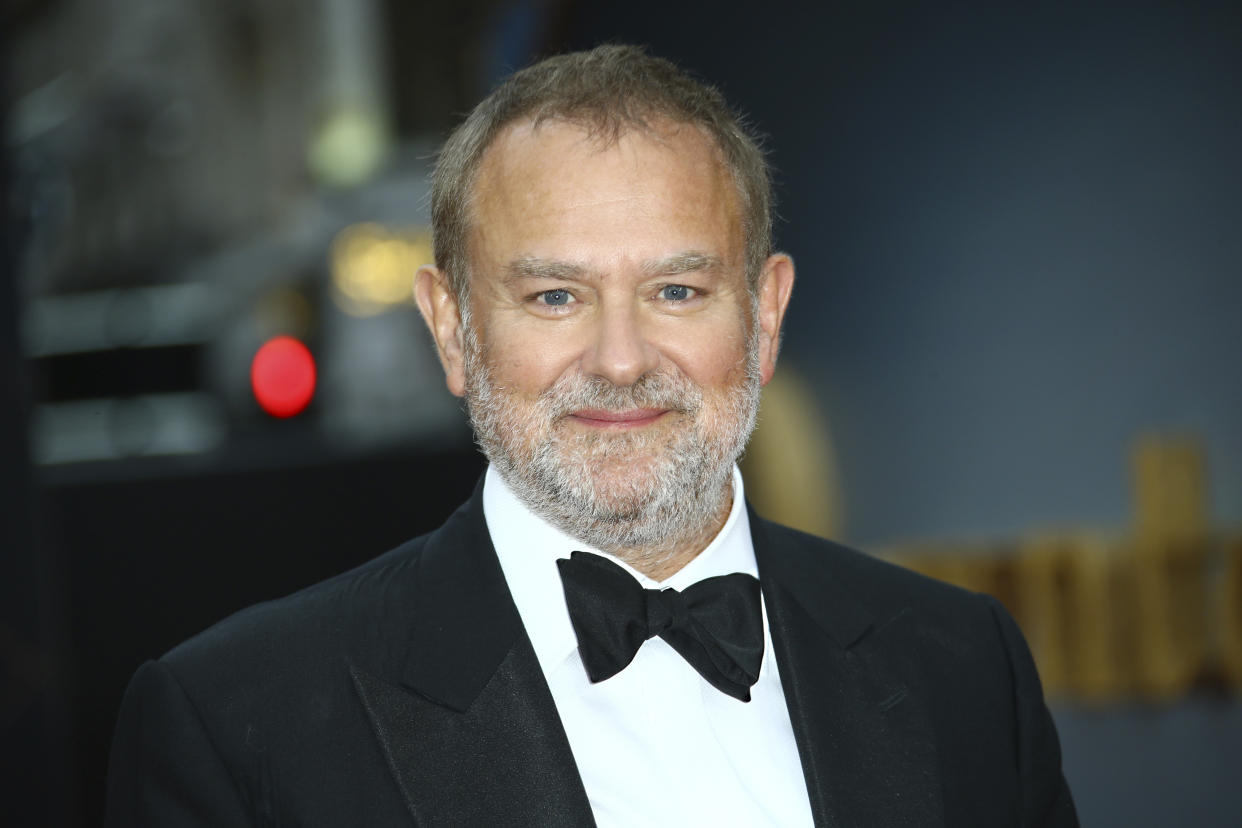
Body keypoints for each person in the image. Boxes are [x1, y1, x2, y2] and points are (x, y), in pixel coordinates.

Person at [105, 45, 1078, 826]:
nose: (619, 359)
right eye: (557, 295)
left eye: (677, 291)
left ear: (766, 314)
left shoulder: (960, 665)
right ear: (452, 328)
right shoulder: (242, 725)